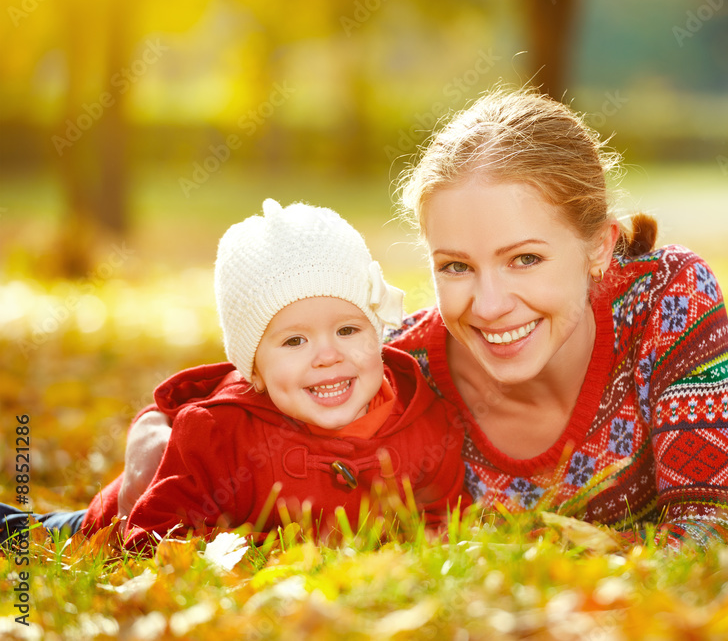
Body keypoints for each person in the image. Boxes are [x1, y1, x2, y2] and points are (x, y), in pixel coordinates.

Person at [10, 86, 728, 549]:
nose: (488, 304)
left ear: (598, 248)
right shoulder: (409, 368)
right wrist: (159, 423)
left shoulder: (667, 299)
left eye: (525, 259)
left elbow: (715, 527)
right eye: (456, 267)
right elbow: (262, 386)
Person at [2, 199, 465, 548]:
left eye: (347, 329)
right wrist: (254, 549)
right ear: (255, 368)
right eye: (294, 341)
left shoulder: (422, 420)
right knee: (43, 532)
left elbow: (443, 517)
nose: (327, 355)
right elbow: (154, 536)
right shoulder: (220, 436)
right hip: (118, 514)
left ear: (378, 332)